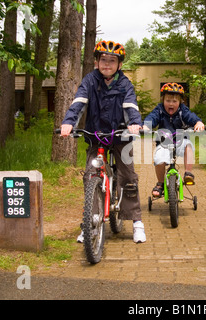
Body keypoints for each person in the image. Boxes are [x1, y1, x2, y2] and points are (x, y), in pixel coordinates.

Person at [59, 40, 146, 243]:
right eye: (103, 60)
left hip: (120, 136)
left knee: (128, 175)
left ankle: (136, 222)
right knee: (91, 174)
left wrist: (134, 123)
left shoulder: (125, 84)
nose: (107, 64)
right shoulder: (90, 80)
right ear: (96, 62)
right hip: (95, 134)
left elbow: (131, 105)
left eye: (112, 61)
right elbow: (79, 102)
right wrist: (68, 123)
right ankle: (90, 222)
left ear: (119, 64)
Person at [142, 82, 205, 198]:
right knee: (158, 159)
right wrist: (146, 126)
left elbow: (190, 117)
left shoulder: (182, 110)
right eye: (168, 101)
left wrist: (198, 122)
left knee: (189, 146)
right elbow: (152, 117)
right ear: (163, 100)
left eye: (174, 101)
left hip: (181, 140)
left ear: (180, 102)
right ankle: (160, 183)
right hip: (164, 142)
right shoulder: (159, 110)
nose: (171, 104)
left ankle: (188, 173)